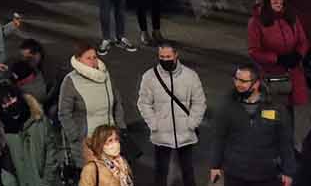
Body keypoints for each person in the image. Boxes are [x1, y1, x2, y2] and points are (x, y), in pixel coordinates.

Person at [205, 62, 295, 186]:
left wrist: (288, 170)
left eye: (243, 81)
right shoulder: (226, 107)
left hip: (267, 174)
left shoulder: (276, 108)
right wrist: (215, 165)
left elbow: (285, 141)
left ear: (256, 83)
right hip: (235, 174)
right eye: (236, 79)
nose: (238, 84)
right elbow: (218, 138)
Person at [137, 39, 205, 186]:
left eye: (168, 57)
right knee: (161, 172)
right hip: (161, 133)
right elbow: (144, 103)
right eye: (161, 57)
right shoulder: (149, 77)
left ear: (176, 55)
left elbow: (199, 102)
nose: (164, 60)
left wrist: (192, 123)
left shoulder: (190, 76)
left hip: (185, 132)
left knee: (187, 170)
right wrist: (154, 124)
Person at [58, 42, 126, 175]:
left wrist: (121, 128)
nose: (93, 61)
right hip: (88, 143)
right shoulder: (70, 81)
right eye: (88, 58)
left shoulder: (105, 76)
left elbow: (117, 102)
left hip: (110, 140)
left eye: (95, 57)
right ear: (78, 60)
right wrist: (77, 138)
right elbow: (64, 113)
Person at [0, 81, 57, 186]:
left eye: (11, 99)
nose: (10, 104)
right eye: (4, 103)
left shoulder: (39, 121)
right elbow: (5, 167)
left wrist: (47, 181)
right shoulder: (1, 132)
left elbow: (52, 151)